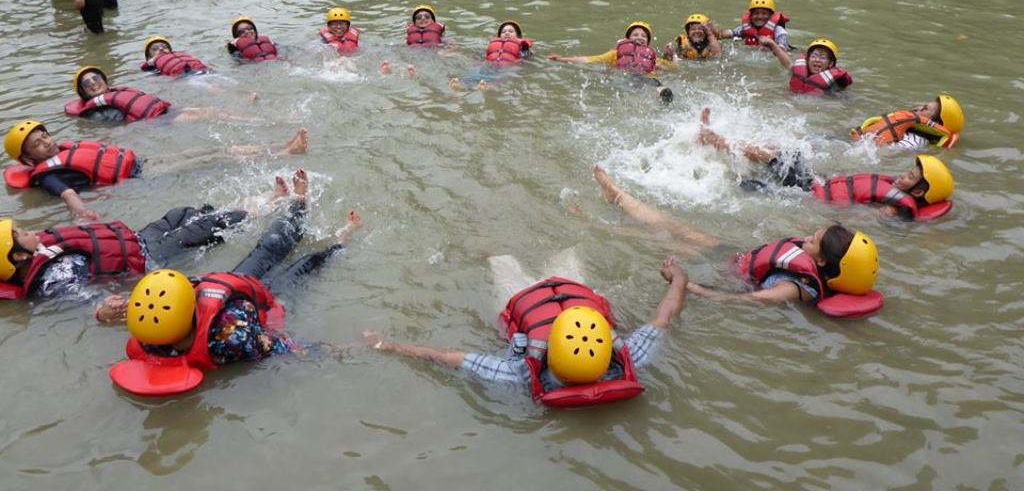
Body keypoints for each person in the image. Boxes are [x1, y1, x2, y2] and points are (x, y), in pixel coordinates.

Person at [109, 170, 363, 396]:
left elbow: (288, 348)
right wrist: (353, 348)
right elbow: (293, 349)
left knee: (273, 243)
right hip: (268, 303)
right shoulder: (160, 332)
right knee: (306, 263)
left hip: (239, 291)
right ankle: (341, 239)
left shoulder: (226, 335)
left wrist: (104, 313)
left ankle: (299, 203)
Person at [363, 254, 688, 408]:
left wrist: (389, 345)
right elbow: (665, 315)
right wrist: (678, 277)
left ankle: (484, 240)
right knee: (556, 252)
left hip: (529, 299)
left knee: (499, 259)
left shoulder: (516, 372)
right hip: (562, 289)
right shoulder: (630, 358)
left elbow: (444, 357)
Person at [591, 166, 882, 317]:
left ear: (821, 261)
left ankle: (599, 221)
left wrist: (688, 286)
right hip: (733, 256)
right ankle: (616, 196)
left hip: (727, 273)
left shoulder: (794, 289)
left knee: (661, 238)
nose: (807, 238)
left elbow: (745, 299)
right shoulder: (813, 264)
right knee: (673, 227)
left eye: (814, 240)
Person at [696, 107, 955, 220]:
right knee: (783, 151)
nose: (902, 175)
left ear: (919, 191)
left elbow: (861, 216)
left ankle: (714, 140)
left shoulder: (895, 208)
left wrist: (813, 214)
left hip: (810, 193)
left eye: (910, 176)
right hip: (817, 184)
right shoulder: (896, 193)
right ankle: (718, 145)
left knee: (781, 156)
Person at [0, 206, 245, 304]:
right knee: (207, 227)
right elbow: (83, 295)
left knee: (181, 213)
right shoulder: (52, 278)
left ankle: (233, 216)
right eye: (22, 234)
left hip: (138, 240)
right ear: (20, 257)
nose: (30, 232)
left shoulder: (40, 250)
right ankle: (264, 205)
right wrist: (101, 308)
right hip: (148, 258)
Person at [3, 120, 141, 220]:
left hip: (133, 164)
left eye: (44, 136)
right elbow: (69, 195)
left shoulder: (67, 149)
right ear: (28, 159)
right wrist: (83, 213)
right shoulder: (47, 178)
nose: (47, 143)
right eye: (37, 144)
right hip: (131, 181)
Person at [548, 21, 675, 103]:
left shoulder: (651, 57)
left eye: (643, 36)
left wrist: (670, 55)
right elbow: (588, 60)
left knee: (657, 85)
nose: (640, 37)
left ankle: (663, 94)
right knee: (641, 86)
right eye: (635, 35)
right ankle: (657, 96)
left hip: (646, 77)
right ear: (627, 39)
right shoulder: (615, 54)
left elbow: (673, 68)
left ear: (648, 42)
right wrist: (562, 59)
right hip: (627, 77)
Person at [64, 66, 239, 124]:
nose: (93, 83)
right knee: (208, 116)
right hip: (158, 121)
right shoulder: (97, 111)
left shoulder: (118, 92)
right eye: (87, 83)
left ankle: (257, 120)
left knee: (212, 110)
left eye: (96, 78)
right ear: (83, 92)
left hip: (164, 111)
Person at [851, 94, 964, 150]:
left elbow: (886, 154)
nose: (917, 108)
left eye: (925, 108)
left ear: (934, 123)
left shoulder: (917, 140)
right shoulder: (905, 125)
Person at [449, 20, 533, 90]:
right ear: (499, 36)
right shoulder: (494, 45)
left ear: (518, 36)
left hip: (507, 67)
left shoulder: (522, 47)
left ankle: (489, 86)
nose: (507, 33)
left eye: (511, 31)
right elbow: (486, 55)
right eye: (503, 32)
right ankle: (461, 83)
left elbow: (527, 59)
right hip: (490, 65)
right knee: (477, 71)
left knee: (504, 75)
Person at [762, 37, 853, 96]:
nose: (817, 60)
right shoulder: (799, 71)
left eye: (822, 57)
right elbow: (787, 63)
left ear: (830, 63)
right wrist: (773, 45)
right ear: (808, 59)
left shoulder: (834, 83)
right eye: (814, 56)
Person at [717, 0, 791, 49]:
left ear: (771, 16)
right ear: (751, 16)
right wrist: (713, 34)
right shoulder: (745, 28)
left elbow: (782, 50)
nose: (759, 16)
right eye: (756, 13)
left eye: (764, 13)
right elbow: (727, 33)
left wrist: (771, 46)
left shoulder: (779, 31)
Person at [141, 36, 210, 77]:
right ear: (149, 56)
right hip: (184, 78)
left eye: (164, 46)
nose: (161, 49)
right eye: (155, 49)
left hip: (202, 71)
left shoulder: (182, 56)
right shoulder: (152, 69)